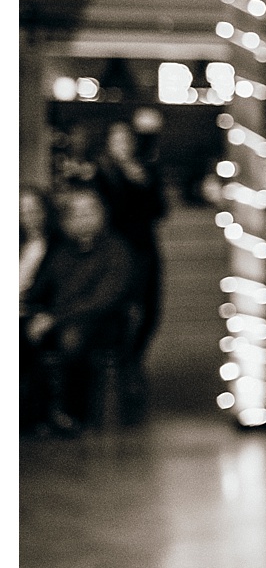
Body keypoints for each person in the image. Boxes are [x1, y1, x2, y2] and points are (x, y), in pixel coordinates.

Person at [23, 186, 135, 435]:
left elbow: (104, 299)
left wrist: (54, 318)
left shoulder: (116, 250)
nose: (83, 218)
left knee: (72, 339)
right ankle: (30, 413)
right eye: (76, 213)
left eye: (89, 211)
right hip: (56, 319)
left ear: (102, 214)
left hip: (101, 322)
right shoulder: (61, 252)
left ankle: (71, 413)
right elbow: (40, 289)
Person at [91, 119, 168, 425]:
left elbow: (160, 210)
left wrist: (143, 182)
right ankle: (123, 366)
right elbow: (107, 214)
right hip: (118, 251)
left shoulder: (147, 170)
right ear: (109, 143)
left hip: (146, 249)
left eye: (127, 139)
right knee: (123, 308)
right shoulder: (102, 173)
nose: (123, 144)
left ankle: (133, 358)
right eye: (117, 139)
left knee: (151, 308)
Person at [20, 184, 57, 432]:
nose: (29, 217)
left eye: (34, 210)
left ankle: (32, 415)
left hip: (37, 311)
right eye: (22, 212)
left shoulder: (57, 245)